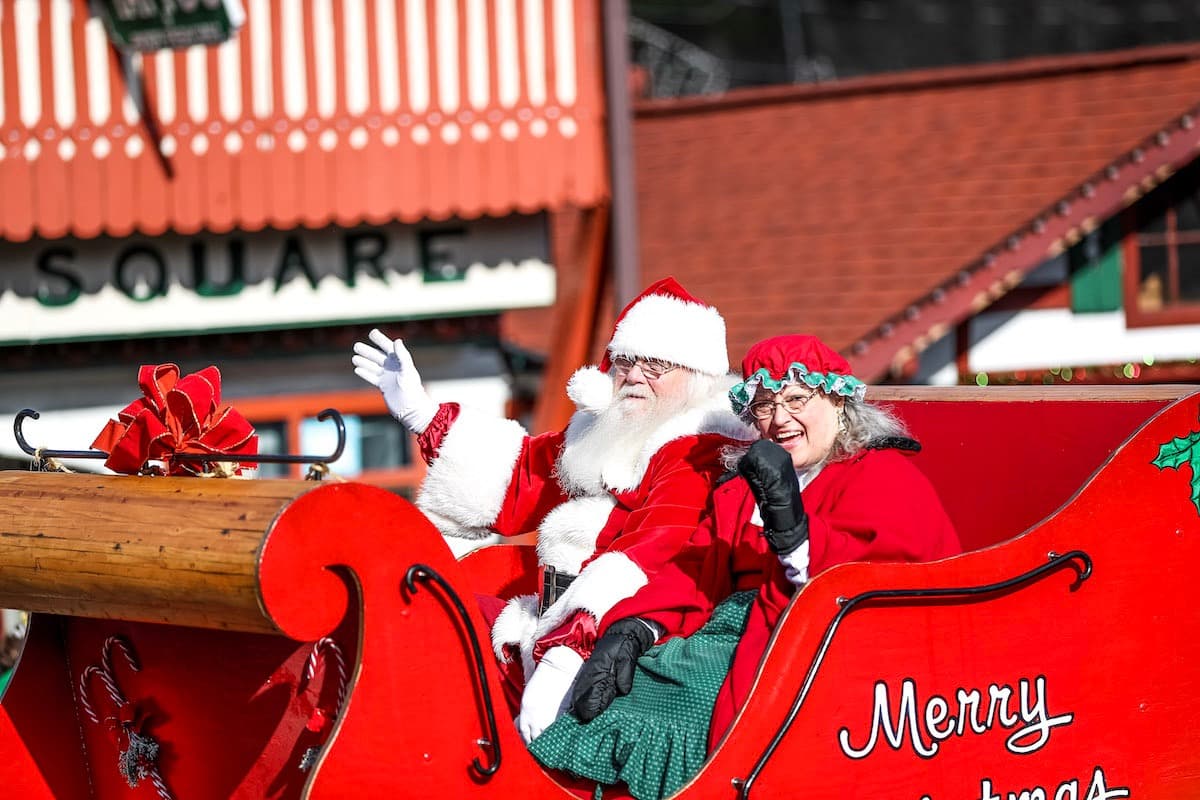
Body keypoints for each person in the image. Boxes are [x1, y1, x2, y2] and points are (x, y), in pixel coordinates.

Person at [528, 334, 962, 800]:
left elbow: (894, 575)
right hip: (720, 633)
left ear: (838, 401)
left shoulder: (879, 474)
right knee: (619, 693)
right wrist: (637, 626)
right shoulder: (740, 489)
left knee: (689, 708)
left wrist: (794, 529)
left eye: (796, 399)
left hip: (806, 640)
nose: (780, 419)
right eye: (763, 406)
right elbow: (695, 568)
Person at [352, 277, 753, 744]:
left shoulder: (698, 448)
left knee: (441, 638)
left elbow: (651, 555)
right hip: (553, 627)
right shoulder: (609, 428)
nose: (636, 375)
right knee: (418, 610)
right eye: (626, 361)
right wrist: (423, 415)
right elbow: (524, 477)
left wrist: (567, 655)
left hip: (625, 642)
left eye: (658, 365)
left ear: (697, 377)